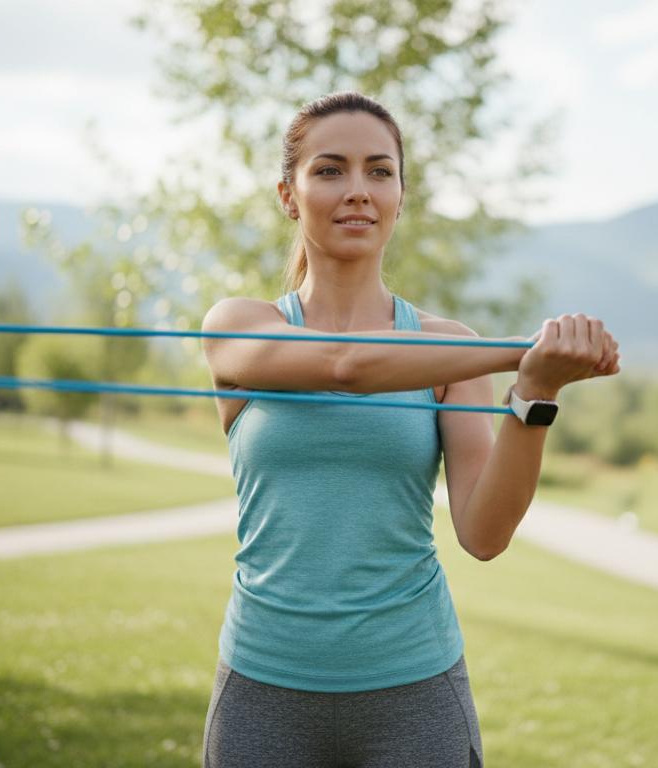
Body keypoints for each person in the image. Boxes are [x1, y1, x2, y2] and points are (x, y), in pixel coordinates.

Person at [198, 91, 620, 768]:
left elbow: (484, 534)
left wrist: (536, 390)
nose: (358, 191)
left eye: (379, 171)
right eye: (330, 170)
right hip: (262, 685)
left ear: (401, 194)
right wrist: (524, 349)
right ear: (288, 194)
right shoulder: (237, 325)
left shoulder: (454, 350)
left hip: (414, 690)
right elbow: (342, 366)